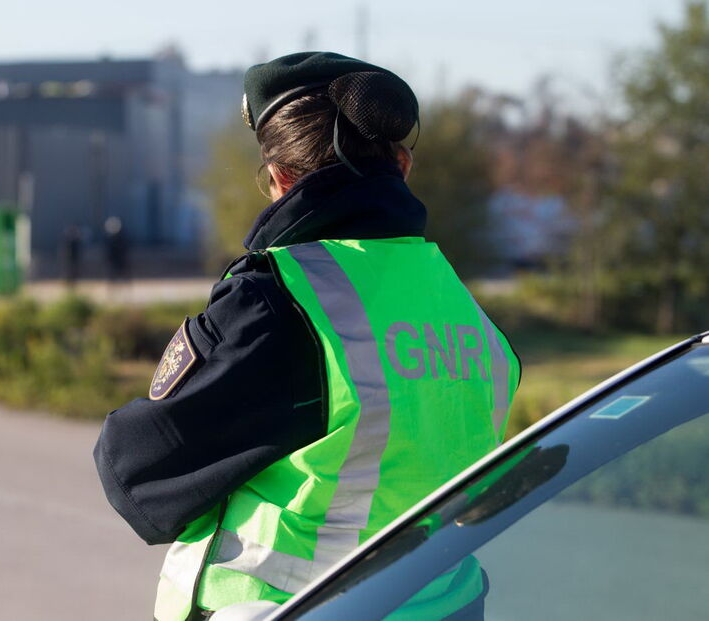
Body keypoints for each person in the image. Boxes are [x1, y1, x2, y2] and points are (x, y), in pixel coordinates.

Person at [93, 52, 520, 621]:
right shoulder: (463, 309)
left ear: (280, 179)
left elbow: (137, 470)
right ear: (404, 166)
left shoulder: (280, 298)